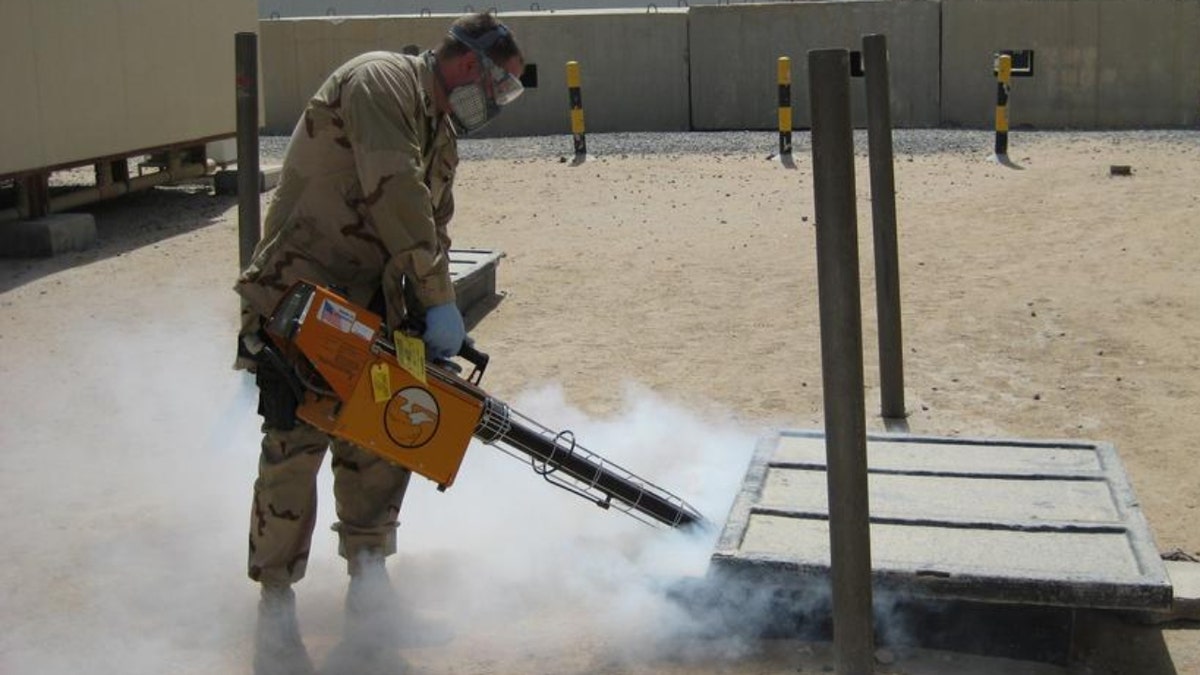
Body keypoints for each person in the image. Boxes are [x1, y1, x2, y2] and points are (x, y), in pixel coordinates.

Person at [232, 13, 525, 673]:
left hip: (370, 306)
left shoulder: (440, 134)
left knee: (383, 442)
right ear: (463, 62)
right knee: (294, 448)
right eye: (498, 84)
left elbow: (434, 231)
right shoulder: (380, 83)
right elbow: (397, 195)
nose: (497, 100)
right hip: (300, 298)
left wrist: (431, 314)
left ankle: (369, 594)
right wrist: (441, 300)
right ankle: (275, 615)